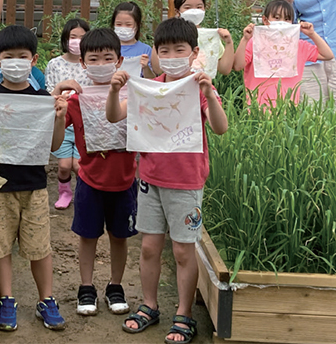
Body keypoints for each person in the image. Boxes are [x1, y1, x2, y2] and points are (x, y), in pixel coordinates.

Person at [107, 18, 228, 344]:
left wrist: (209, 94)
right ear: (156, 54)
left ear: (194, 52)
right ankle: (149, 305)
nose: (172, 55)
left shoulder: (199, 85)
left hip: (187, 181)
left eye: (180, 49)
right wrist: (115, 89)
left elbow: (220, 128)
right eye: (165, 50)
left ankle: (184, 314)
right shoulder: (149, 86)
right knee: (148, 247)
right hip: (149, 178)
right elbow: (115, 116)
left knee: (183, 252)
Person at [0, 25, 68, 332]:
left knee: (40, 248)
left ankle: (46, 300)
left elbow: (52, 145)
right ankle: (6, 299)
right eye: (9, 57)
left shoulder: (42, 99)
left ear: (34, 59)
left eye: (22, 56)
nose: (16, 62)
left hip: (34, 186)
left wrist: (60, 118)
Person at [51, 28, 138, 316]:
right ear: (83, 63)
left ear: (120, 61)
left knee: (119, 236)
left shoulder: (134, 96)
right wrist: (56, 103)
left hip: (125, 180)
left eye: (107, 58)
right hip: (89, 180)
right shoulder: (75, 100)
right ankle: (86, 287)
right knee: (87, 236)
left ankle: (115, 286)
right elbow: (52, 140)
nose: (101, 64)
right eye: (94, 58)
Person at [233, 0, 333, 105]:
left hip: (287, 108)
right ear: (265, 20)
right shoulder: (255, 42)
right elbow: (238, 66)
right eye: (277, 18)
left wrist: (312, 34)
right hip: (257, 107)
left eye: (287, 19)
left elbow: (327, 55)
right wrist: (245, 39)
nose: (282, 22)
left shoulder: (298, 45)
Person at [43, 18, 90, 210]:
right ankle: (64, 192)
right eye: (73, 36)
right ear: (65, 38)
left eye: (82, 37)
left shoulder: (90, 63)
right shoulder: (54, 64)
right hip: (61, 122)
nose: (77, 41)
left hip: (83, 122)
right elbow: (48, 93)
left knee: (79, 166)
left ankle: (82, 193)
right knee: (63, 165)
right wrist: (60, 89)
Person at [151, 0, 234, 78]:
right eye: (187, 7)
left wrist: (229, 43)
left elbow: (224, 69)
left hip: (201, 88)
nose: (194, 11)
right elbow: (157, 69)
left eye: (199, 7)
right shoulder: (169, 34)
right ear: (177, 11)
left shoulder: (210, 38)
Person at [111, 2, 155, 78]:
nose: (123, 28)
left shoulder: (145, 50)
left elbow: (152, 79)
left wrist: (145, 67)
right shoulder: (108, 48)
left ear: (137, 25)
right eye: (119, 24)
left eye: (128, 24)